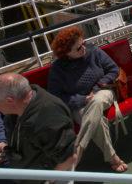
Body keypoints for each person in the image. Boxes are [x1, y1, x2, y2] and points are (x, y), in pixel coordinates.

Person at [46, 26, 127, 173]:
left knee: (96, 102)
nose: (83, 48)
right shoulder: (57, 70)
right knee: (97, 120)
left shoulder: (93, 51)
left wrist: (95, 89)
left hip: (103, 92)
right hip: (78, 104)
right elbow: (56, 96)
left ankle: (78, 150)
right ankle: (112, 157)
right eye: (78, 48)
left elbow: (113, 69)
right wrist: (82, 99)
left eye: (83, 43)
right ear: (66, 53)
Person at [0, 73, 77, 173]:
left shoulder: (48, 120)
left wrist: (51, 180)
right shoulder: (17, 110)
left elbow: (69, 157)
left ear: (9, 101)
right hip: (22, 169)